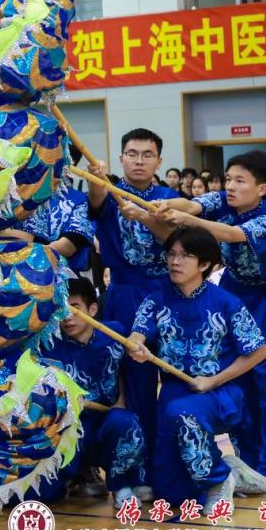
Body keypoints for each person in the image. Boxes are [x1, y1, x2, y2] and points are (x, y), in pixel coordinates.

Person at [149, 150, 266, 485]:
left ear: (261, 188)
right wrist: (166, 206)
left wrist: (189, 221)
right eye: (228, 179)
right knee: (236, 381)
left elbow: (231, 234)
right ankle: (248, 465)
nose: (230, 186)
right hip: (231, 295)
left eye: (240, 181)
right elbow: (191, 206)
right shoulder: (224, 200)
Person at [128, 227, 266, 509]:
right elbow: (136, 336)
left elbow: (259, 351)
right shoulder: (155, 300)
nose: (174, 261)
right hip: (173, 392)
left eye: (184, 256)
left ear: (204, 264)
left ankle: (218, 479)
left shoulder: (226, 302)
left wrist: (213, 381)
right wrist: (137, 347)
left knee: (184, 412)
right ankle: (229, 469)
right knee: (171, 495)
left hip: (219, 392)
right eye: (171, 254)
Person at [85, 128, 179, 475]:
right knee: (131, 380)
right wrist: (97, 178)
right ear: (121, 158)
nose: (139, 161)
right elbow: (95, 202)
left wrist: (146, 217)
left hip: (166, 293)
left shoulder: (168, 197)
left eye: (147, 155)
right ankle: (135, 468)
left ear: (159, 161)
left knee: (174, 381)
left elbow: (176, 239)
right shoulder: (109, 192)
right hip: (123, 294)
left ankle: (170, 464)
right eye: (133, 154)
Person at [36, 278, 148, 509]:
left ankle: (121, 485)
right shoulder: (50, 346)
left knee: (125, 422)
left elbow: (124, 372)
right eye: (62, 310)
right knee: (45, 495)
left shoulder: (114, 334)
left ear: (93, 309)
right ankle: (75, 476)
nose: (67, 317)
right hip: (67, 430)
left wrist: (121, 401)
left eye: (75, 308)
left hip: (105, 421)